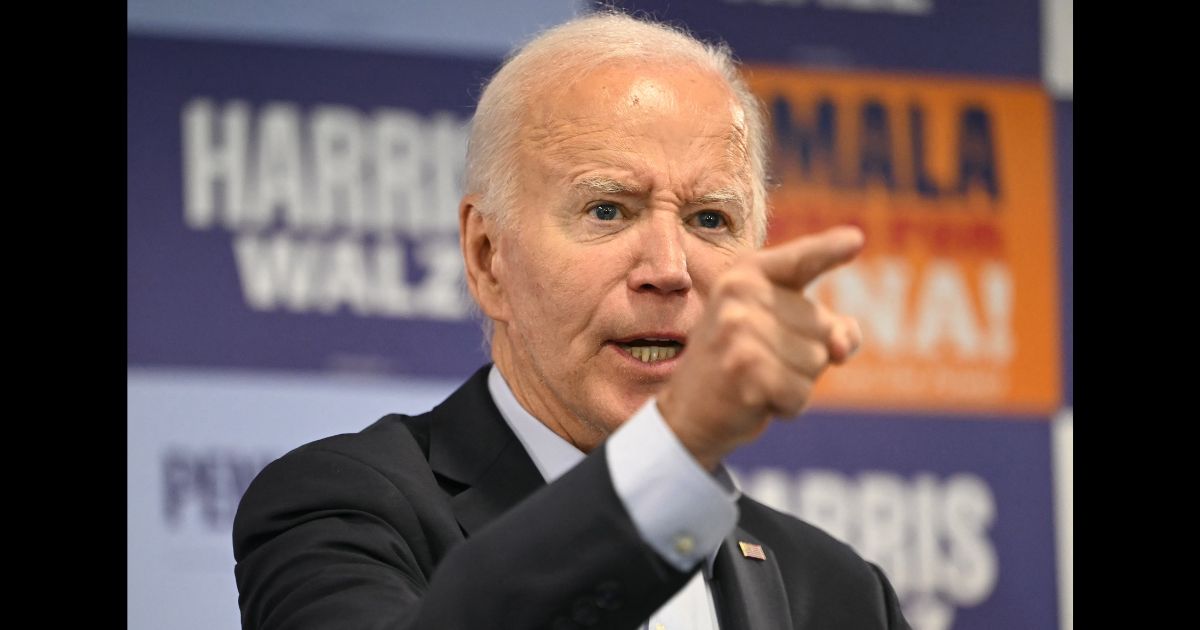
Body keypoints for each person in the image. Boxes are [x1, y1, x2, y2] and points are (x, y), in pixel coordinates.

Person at [233, 11, 911, 630]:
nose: (670, 269)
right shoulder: (341, 509)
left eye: (711, 219)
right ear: (487, 257)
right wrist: (673, 456)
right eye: (608, 210)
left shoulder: (842, 593)